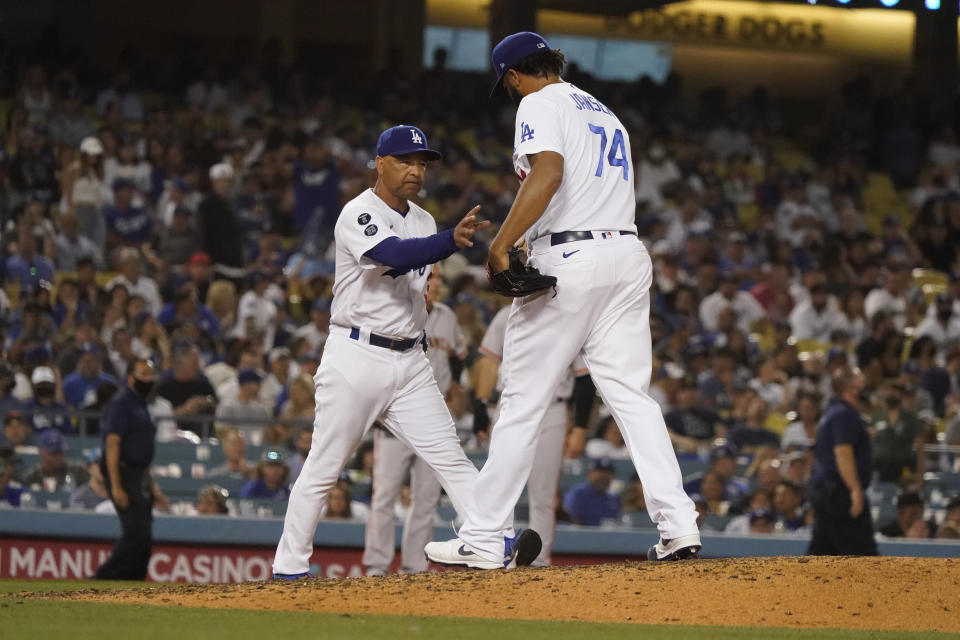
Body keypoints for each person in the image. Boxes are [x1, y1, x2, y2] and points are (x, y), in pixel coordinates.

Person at [427, 32, 700, 567]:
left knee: (522, 399)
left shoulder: (536, 102)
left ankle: (483, 537)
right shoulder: (603, 111)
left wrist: (503, 242)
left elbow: (548, 173)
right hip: (625, 252)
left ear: (511, 75)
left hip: (573, 261)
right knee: (631, 397)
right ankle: (679, 525)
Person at [272, 124, 528, 579]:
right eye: (406, 161)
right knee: (325, 467)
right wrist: (451, 240)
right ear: (380, 162)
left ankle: (492, 538)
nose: (416, 170)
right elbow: (392, 254)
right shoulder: (357, 213)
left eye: (422, 163)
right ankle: (289, 568)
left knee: (450, 454)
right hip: (357, 354)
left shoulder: (425, 220)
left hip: (410, 360)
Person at [362, 266, 465, 576]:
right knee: (384, 496)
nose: (437, 282)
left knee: (426, 499)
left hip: (434, 418)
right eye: (433, 276)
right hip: (396, 417)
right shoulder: (397, 307)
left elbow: (458, 358)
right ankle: (376, 566)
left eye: (441, 278)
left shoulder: (447, 316)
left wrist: (456, 388)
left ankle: (414, 567)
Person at [470, 302, 589, 566]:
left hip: (553, 408)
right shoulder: (507, 313)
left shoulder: (573, 314)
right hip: (512, 403)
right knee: (500, 484)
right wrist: (480, 404)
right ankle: (494, 551)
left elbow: (583, 377)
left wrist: (580, 426)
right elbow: (488, 361)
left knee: (543, 494)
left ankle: (539, 560)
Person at [94, 359, 170, 580]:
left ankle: (134, 583)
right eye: (143, 374)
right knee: (135, 532)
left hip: (139, 474)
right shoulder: (122, 403)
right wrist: (117, 486)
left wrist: (154, 490)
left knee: (144, 534)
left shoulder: (141, 405)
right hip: (123, 471)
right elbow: (112, 443)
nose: (149, 379)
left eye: (151, 374)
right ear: (130, 378)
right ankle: (103, 579)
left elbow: (143, 456)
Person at [807, 366, 878, 556]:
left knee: (822, 552)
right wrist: (855, 490)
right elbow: (843, 453)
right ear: (851, 389)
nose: (864, 391)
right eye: (860, 386)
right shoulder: (844, 414)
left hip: (827, 492)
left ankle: (803, 585)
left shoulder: (834, 411)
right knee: (863, 556)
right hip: (839, 494)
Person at [21, 429, 90, 490]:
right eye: (53, 453)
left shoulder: (78, 471)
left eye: (61, 452)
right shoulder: (31, 476)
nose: (59, 456)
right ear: (41, 451)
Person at [562, 458, 621, 526]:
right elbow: (570, 520)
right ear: (589, 474)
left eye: (607, 472)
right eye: (599, 471)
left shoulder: (614, 498)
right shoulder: (578, 494)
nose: (603, 476)